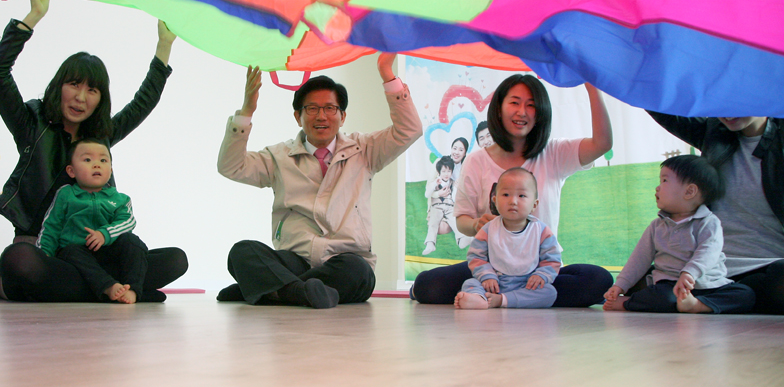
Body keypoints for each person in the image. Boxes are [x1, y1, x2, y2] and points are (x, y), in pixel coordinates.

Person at [0, 0, 187, 302]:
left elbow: (142, 103)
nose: (81, 97)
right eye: (74, 85)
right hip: (42, 245)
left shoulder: (101, 135)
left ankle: (99, 287)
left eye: (92, 90)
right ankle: (111, 288)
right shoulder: (30, 122)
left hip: (95, 247)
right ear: (59, 85)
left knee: (176, 259)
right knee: (19, 262)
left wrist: (163, 46)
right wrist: (32, 18)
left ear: (100, 98)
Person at [216, 54, 421, 308]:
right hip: (295, 258)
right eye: (312, 109)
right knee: (242, 252)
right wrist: (246, 112)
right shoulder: (279, 157)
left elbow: (409, 130)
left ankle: (269, 288)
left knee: (358, 272)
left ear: (342, 116)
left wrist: (387, 73)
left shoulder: (364, 149)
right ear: (298, 116)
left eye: (330, 108)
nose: (321, 116)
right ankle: (296, 291)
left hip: (345, 261)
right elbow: (230, 166)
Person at [412, 74, 614, 306]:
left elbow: (602, 144)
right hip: (492, 273)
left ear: (541, 114)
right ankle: (510, 297)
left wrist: (592, 87)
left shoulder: (554, 153)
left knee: (598, 281)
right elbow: (462, 220)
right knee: (428, 287)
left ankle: (504, 299)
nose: (522, 112)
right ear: (499, 109)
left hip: (538, 274)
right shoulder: (477, 161)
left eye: (531, 105)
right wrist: (477, 224)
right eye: (515, 103)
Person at [647, 113, 784, 314]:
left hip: (769, 265)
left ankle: (720, 301)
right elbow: (661, 105)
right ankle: (719, 300)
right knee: (643, 282)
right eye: (719, 103)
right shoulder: (713, 131)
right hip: (706, 270)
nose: (727, 113)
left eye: (735, 104)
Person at [603, 155, 756, 313]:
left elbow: (709, 251)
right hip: (670, 286)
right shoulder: (657, 226)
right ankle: (627, 302)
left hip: (710, 284)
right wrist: (620, 285)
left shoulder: (709, 222)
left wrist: (690, 273)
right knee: (661, 297)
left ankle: (698, 305)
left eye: (665, 181)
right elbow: (639, 258)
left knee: (745, 294)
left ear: (689, 191)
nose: (657, 187)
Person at [37, 139, 148, 304]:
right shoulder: (66, 194)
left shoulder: (120, 199)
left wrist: (104, 234)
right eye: (87, 160)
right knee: (69, 251)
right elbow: (51, 227)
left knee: (133, 241)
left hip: (109, 256)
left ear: (110, 170)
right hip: (77, 259)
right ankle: (108, 287)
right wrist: (44, 256)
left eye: (103, 160)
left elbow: (128, 222)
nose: (96, 165)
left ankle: (131, 289)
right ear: (71, 171)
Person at [455, 167, 561, 310]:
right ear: (495, 201)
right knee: (470, 283)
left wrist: (541, 275)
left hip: (527, 284)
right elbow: (476, 256)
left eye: (522, 196)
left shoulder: (541, 231)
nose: (513, 201)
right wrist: (487, 276)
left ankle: (502, 300)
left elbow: (552, 259)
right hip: (494, 282)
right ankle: (478, 298)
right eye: (505, 194)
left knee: (549, 292)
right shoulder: (488, 229)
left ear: (534, 204)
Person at [422, 155, 469, 255]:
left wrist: (456, 188)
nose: (446, 174)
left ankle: (461, 240)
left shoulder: (453, 183)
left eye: (448, 171)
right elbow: (427, 194)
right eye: (443, 171)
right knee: (433, 223)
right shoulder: (435, 182)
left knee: (454, 221)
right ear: (439, 172)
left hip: (449, 207)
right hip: (436, 206)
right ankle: (430, 243)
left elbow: (454, 198)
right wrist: (435, 184)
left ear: (452, 172)